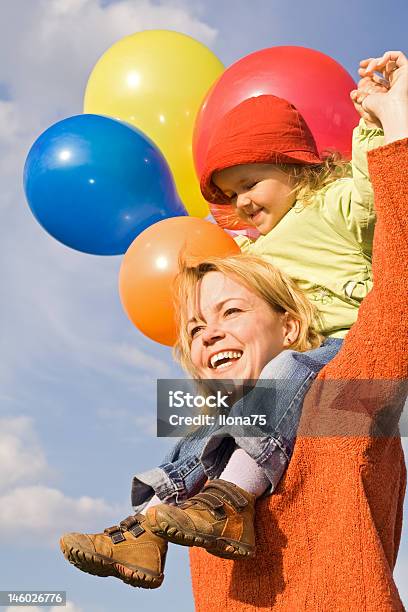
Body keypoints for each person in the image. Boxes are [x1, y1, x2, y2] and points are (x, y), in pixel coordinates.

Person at [59, 51, 407, 605]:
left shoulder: (330, 204)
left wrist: (377, 119)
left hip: (340, 350)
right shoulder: (254, 249)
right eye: (232, 195)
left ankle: (229, 500)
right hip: (289, 372)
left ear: (294, 166)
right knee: (220, 416)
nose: (243, 202)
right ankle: (148, 524)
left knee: (288, 370)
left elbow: (380, 196)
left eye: (251, 183)